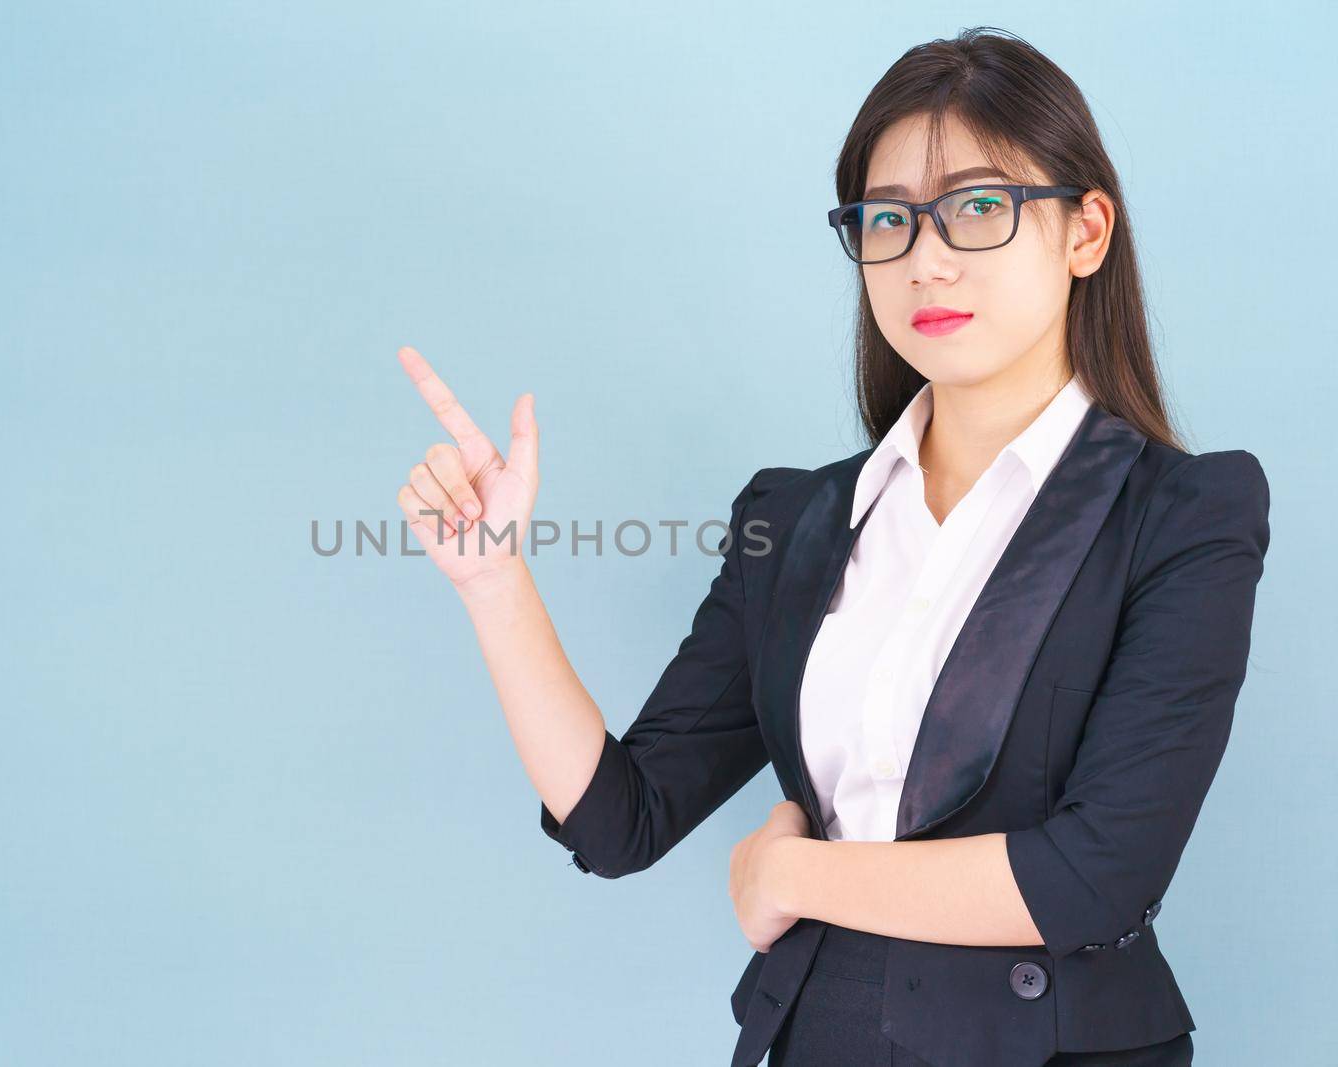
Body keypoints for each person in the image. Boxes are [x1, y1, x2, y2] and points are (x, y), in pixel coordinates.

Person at [391, 26, 1269, 1067]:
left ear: (1085, 233)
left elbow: (1098, 871)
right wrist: (494, 580)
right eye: (887, 219)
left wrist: (792, 875)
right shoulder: (792, 519)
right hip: (822, 1035)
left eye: (980, 207)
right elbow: (620, 820)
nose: (925, 257)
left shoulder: (1183, 511)